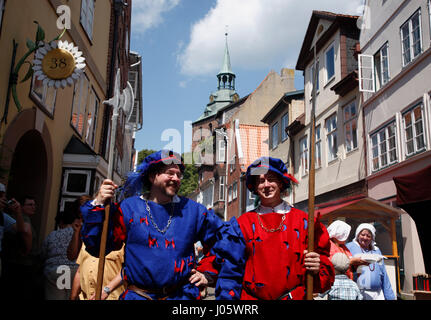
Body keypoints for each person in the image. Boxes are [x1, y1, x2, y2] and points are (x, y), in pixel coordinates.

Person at [79, 150, 238, 300]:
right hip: (139, 296)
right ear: (152, 176)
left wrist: (207, 273)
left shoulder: (193, 210)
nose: (176, 178)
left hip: (182, 296)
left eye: (178, 175)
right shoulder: (129, 208)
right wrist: (98, 204)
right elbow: (98, 245)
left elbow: (225, 239)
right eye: (170, 173)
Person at [205, 157, 335, 300]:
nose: (266, 185)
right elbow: (230, 272)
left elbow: (322, 278)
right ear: (255, 186)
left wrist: (316, 267)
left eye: (271, 179)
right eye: (261, 181)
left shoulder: (305, 222)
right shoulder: (242, 224)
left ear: (280, 182)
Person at [1, 195, 43, 299]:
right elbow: (26, 233)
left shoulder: (23, 218)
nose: (34, 207)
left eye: (34, 204)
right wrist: (27, 250)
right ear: (22, 207)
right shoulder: (22, 218)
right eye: (30, 204)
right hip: (22, 263)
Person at [346, 223, 396, 300]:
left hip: (377, 294)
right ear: (357, 235)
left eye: (368, 236)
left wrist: (390, 296)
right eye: (362, 235)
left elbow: (383, 274)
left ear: (372, 238)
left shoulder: (376, 250)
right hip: (357, 293)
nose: (365, 238)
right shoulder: (350, 247)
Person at [41, 209, 79, 300]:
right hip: (74, 271)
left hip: (55, 271)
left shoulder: (52, 235)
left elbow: (43, 254)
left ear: (61, 222)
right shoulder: (77, 234)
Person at [0, 183, 31, 279]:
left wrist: (18, 212)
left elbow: (20, 229)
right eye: (0, 196)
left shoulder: (2, 216)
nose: (4, 199)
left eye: (4, 196)